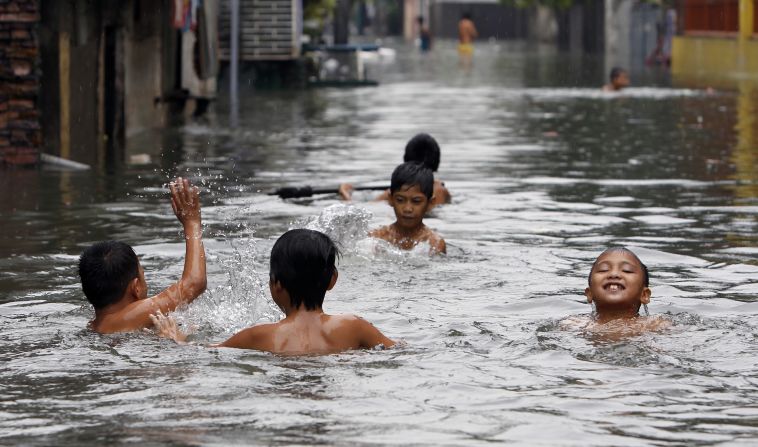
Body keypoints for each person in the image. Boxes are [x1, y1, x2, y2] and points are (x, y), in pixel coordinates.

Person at [152, 229, 396, 355]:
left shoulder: (258, 336)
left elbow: (203, 353)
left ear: (275, 285)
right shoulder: (354, 327)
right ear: (332, 280)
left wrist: (175, 340)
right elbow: (399, 350)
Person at [78, 177, 207, 334]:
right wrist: (192, 223)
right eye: (143, 274)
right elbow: (194, 283)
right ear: (136, 287)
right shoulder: (129, 316)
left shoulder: (95, 326)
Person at [565, 247, 669, 336]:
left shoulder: (656, 326)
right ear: (589, 294)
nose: (614, 274)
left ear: (644, 295)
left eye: (627, 270)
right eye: (603, 269)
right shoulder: (575, 325)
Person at [339, 133, 451, 208]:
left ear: (406, 158)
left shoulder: (397, 191)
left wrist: (345, 193)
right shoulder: (442, 191)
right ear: (436, 160)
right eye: (401, 200)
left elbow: (361, 209)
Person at [368, 162, 446, 255]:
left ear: (430, 203)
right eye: (400, 200)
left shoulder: (435, 244)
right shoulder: (376, 238)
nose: (407, 209)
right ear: (391, 200)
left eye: (416, 201)